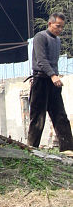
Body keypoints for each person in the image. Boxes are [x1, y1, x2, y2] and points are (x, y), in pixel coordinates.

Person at [27, 14, 73, 152]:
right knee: (38, 117)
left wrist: (55, 76)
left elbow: (54, 62)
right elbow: (41, 60)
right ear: (50, 24)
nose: (59, 29)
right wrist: (53, 75)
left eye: (61, 27)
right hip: (41, 80)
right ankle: (31, 149)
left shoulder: (57, 40)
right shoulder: (40, 37)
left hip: (53, 82)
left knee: (61, 116)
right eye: (57, 26)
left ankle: (68, 150)